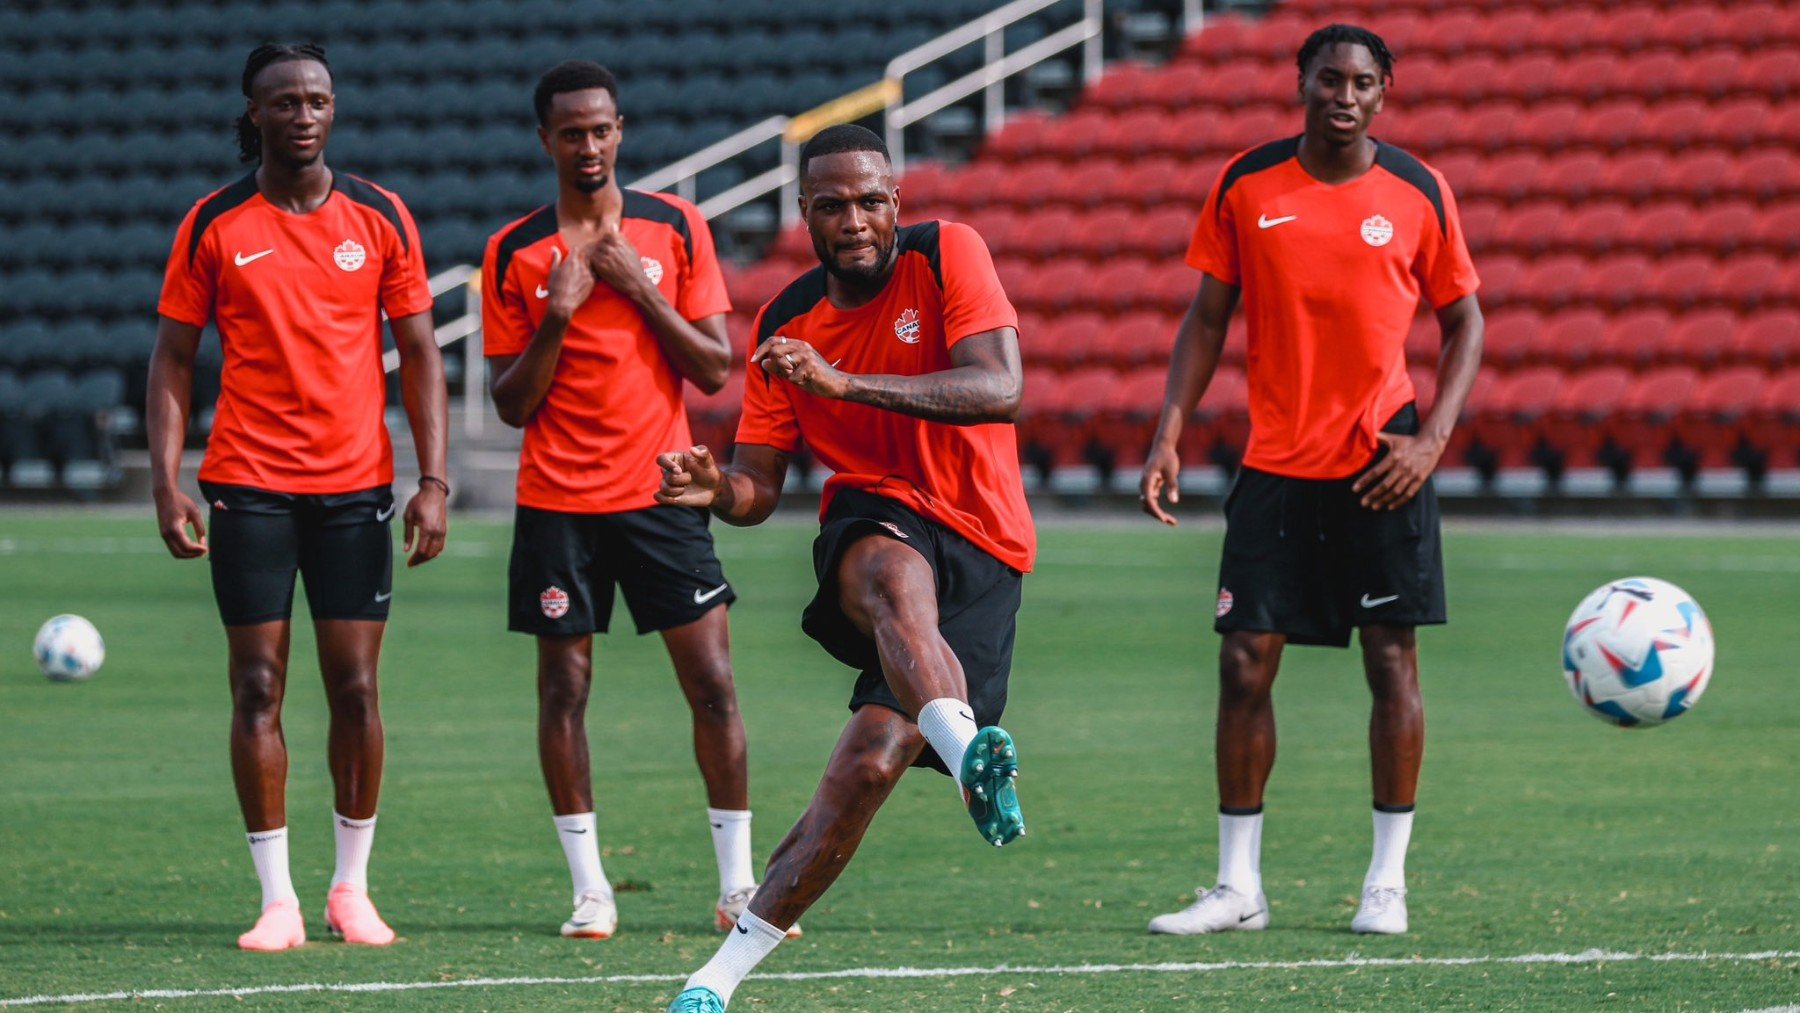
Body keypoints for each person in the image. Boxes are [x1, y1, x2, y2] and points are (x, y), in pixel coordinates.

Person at [656, 123, 1035, 1013]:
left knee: (867, 763)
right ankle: (972, 754)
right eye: (832, 205)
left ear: (895, 199)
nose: (854, 219)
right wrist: (717, 486)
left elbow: (1000, 388)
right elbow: (758, 487)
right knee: (887, 577)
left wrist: (844, 384)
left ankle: (721, 977)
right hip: (879, 516)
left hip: (986, 539)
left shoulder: (948, 254)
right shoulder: (785, 322)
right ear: (805, 215)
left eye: (870, 199)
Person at [1138, 24, 1484, 936]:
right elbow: (1206, 319)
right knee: (1244, 660)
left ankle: (1386, 882)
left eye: (1364, 82)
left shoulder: (1417, 191)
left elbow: (1466, 320)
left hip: (1384, 462)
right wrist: (1169, 432)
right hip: (1275, 462)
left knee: (1389, 659)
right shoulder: (1246, 183)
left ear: (1384, 95)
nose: (1345, 94)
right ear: (1301, 82)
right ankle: (1238, 887)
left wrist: (1433, 439)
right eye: (1329, 78)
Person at [148, 42, 449, 951]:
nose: (304, 113)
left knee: (356, 690)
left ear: (333, 108)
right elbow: (171, 357)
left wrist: (432, 480)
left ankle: (350, 889)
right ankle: (277, 897)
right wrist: (167, 480)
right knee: (258, 687)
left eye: (317, 98)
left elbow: (424, 355)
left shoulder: (381, 215)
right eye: (285, 101)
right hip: (248, 483)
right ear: (255, 113)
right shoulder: (213, 223)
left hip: (357, 485)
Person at [481, 61, 779, 942]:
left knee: (714, 684)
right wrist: (560, 314)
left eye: (601, 128)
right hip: (558, 502)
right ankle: (590, 890)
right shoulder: (516, 250)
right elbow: (509, 403)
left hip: (662, 490)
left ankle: (738, 889)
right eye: (570, 131)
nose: (589, 144)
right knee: (564, 689)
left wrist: (639, 287)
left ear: (621, 131)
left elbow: (715, 366)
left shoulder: (676, 227)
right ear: (546, 140)